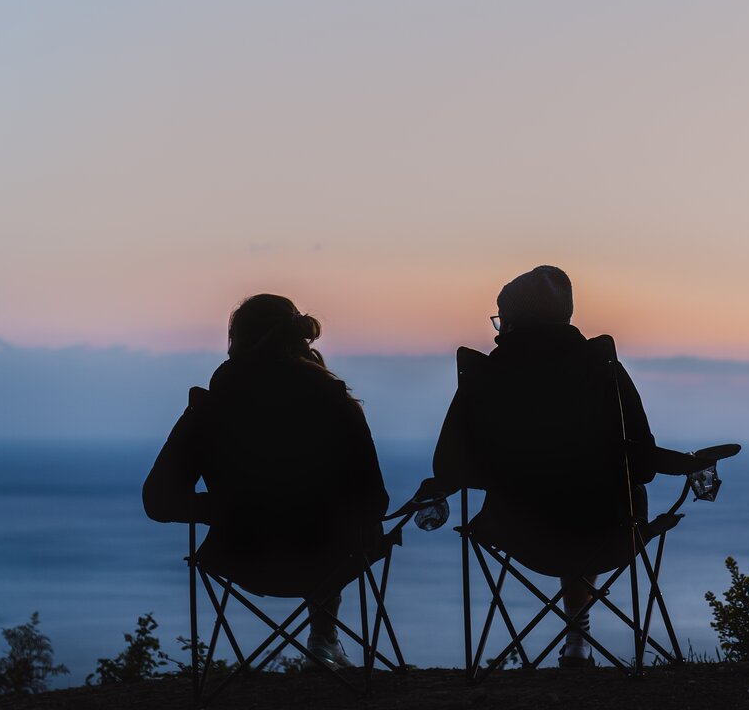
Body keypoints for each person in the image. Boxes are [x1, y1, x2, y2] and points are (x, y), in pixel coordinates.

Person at [419, 265, 657, 667]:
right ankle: (578, 637)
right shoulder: (604, 369)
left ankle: (574, 638)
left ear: (512, 321)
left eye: (501, 318)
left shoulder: (486, 377)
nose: (499, 328)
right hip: (606, 528)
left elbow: (450, 465)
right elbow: (644, 464)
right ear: (565, 316)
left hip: (517, 530)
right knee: (583, 507)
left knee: (561, 510)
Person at [143, 294, 389, 670]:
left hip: (241, 556)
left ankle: (322, 640)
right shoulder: (335, 404)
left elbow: (158, 501)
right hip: (329, 557)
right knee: (350, 523)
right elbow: (374, 500)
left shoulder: (210, 409)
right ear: (300, 340)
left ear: (234, 342)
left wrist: (229, 510)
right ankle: (323, 639)